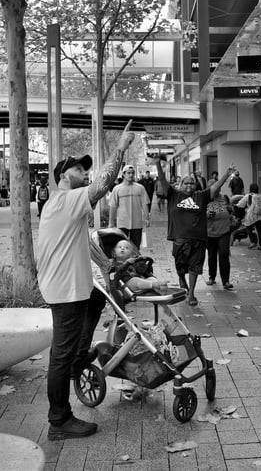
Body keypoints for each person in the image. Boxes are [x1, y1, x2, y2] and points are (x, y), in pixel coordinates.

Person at [37, 120, 134, 441]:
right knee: (60, 354)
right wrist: (120, 149)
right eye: (80, 169)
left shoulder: (69, 207)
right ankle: (59, 421)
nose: (86, 173)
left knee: (96, 298)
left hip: (73, 285)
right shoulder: (66, 199)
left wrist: (108, 263)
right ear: (65, 176)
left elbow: (87, 242)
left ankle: (80, 358)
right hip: (64, 290)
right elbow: (103, 185)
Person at [152, 157, 236, 306]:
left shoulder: (201, 196)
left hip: (198, 239)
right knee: (180, 268)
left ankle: (191, 295)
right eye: (186, 183)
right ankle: (181, 280)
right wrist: (158, 164)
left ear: (195, 185)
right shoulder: (173, 194)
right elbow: (163, 181)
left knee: (194, 267)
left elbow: (216, 187)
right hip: (179, 239)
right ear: (180, 184)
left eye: (192, 183)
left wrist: (227, 174)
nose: (189, 185)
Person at [108, 164, 150, 250]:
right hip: (122, 223)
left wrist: (147, 218)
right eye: (128, 173)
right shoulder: (117, 189)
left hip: (137, 223)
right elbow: (113, 206)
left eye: (132, 173)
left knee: (135, 247)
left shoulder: (140, 188)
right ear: (123, 174)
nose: (131, 175)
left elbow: (145, 203)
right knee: (122, 247)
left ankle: (134, 262)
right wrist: (111, 222)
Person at [206, 189, 233, 289]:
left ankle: (225, 281)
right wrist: (207, 215)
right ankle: (212, 277)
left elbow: (230, 209)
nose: (215, 190)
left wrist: (229, 209)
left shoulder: (224, 198)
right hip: (210, 232)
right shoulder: (204, 199)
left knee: (224, 254)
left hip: (224, 231)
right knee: (212, 255)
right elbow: (198, 215)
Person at [236, 183, 261, 250]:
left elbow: (241, 204)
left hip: (252, 215)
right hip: (260, 215)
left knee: (248, 227)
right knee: (259, 230)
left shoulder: (248, 196)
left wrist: (236, 205)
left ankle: (252, 242)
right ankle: (260, 245)